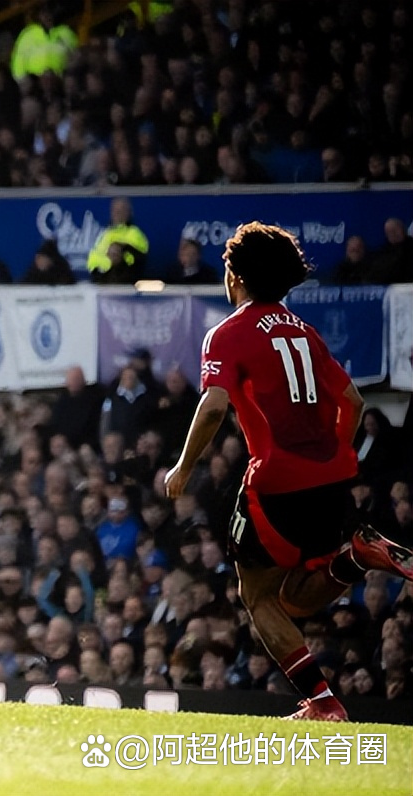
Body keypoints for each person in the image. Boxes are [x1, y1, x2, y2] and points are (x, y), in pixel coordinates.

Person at [164, 221, 413, 722]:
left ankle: (322, 702)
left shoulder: (226, 334)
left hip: (275, 484)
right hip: (331, 479)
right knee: (295, 599)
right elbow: (353, 400)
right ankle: (357, 556)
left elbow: (213, 408)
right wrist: (332, 456)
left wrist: (183, 467)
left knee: (257, 598)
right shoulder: (304, 332)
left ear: (235, 277)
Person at [87, 197, 149, 284]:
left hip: (125, 283)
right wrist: (99, 272)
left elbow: (138, 261)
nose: (117, 213)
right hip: (102, 282)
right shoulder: (104, 234)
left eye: (121, 210)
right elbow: (93, 261)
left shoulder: (135, 233)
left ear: (129, 212)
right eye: (115, 210)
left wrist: (121, 251)